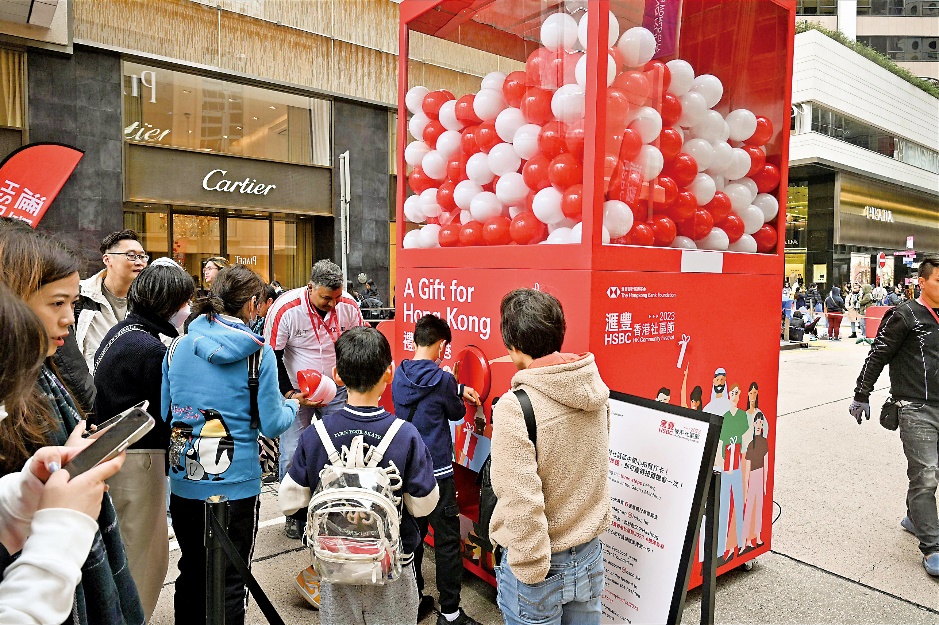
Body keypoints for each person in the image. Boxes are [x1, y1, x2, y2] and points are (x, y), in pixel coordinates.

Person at [0, 226, 145, 624]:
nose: (67, 318)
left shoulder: (39, 377)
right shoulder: (19, 394)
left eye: (72, 303)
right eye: (57, 303)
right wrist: (61, 523)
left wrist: (27, 488)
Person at [162, 264, 297, 625]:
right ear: (253, 304)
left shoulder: (177, 347)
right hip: (236, 484)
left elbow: (166, 410)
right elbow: (271, 422)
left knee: (191, 569)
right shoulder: (258, 353)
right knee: (232, 580)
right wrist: (293, 404)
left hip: (185, 480)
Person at [279, 326, 439, 625]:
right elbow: (424, 505)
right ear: (389, 372)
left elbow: (288, 502)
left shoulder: (317, 435)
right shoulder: (405, 435)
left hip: (336, 565)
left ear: (337, 374)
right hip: (392, 564)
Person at [489, 289, 611, 625]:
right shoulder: (593, 387)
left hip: (540, 566)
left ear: (513, 347)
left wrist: (530, 568)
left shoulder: (516, 407)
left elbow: (519, 499)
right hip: (589, 553)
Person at [92, 263, 195, 621]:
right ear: (169, 303)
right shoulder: (149, 348)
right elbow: (169, 407)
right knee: (143, 558)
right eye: (185, 300)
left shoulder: (122, 332)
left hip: (115, 454)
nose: (189, 308)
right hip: (139, 458)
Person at [264, 259, 366, 541]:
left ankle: (337, 506)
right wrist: (289, 394)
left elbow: (358, 343)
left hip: (338, 390)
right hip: (298, 392)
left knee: (344, 447)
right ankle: (294, 513)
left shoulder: (348, 305)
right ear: (310, 288)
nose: (333, 305)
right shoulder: (285, 308)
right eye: (326, 299)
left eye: (337, 298)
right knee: (291, 451)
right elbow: (272, 356)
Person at [850, 255, 939, 577]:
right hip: (915, 408)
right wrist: (862, 394)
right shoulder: (904, 315)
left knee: (931, 475)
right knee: (926, 473)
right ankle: (933, 546)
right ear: (922, 282)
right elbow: (878, 354)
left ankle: (916, 518)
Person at [392, 314, 481, 625]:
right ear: (442, 345)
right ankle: (450, 613)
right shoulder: (443, 379)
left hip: (405, 471)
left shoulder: (400, 373)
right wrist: (454, 383)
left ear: (416, 340)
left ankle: (413, 599)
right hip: (438, 473)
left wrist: (454, 385)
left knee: (411, 537)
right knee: (445, 541)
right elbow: (456, 413)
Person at [717, 384, 749, 561]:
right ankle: (721, 549)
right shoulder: (725, 417)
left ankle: (741, 544)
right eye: (733, 393)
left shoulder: (743, 416)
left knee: (739, 505)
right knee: (723, 507)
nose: (735, 396)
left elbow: (744, 438)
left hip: (738, 464)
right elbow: (722, 443)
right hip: (725, 466)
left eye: (737, 393)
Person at [743, 396, 769, 550]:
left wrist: (765, 482)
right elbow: (746, 466)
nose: (759, 425)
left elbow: (765, 462)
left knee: (758, 507)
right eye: (757, 422)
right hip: (752, 476)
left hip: (759, 475)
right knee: (750, 507)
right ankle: (746, 539)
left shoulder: (763, 442)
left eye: (761, 423)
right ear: (753, 424)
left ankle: (757, 536)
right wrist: (746, 485)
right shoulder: (750, 444)